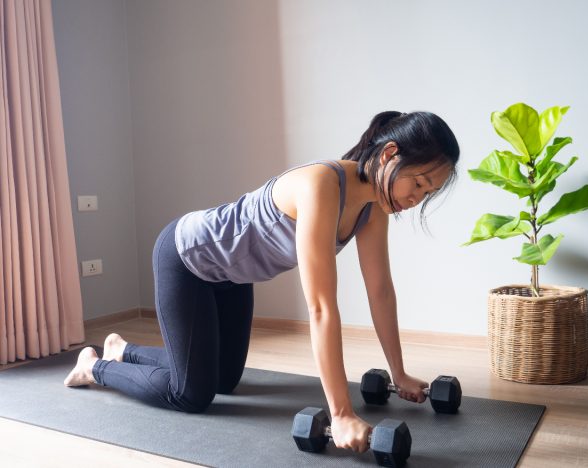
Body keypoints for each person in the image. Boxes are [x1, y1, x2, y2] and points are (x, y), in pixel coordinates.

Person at [64, 110, 460, 454]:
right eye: (420, 183)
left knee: (224, 380)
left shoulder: (372, 210)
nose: (417, 199)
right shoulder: (321, 185)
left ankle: (123, 348)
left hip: (234, 277)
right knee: (190, 395)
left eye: (429, 193)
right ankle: (96, 366)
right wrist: (340, 414)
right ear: (390, 154)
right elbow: (321, 307)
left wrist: (399, 372)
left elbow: (380, 291)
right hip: (186, 257)